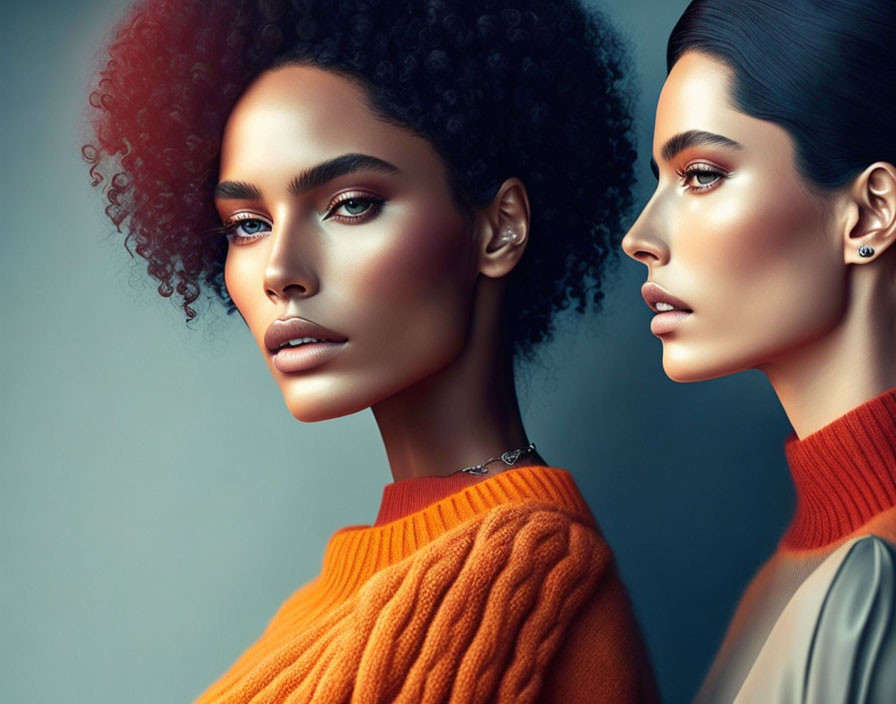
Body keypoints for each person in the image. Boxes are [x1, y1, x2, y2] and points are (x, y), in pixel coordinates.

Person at [84, 0, 658, 701]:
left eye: (350, 203)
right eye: (248, 223)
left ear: (500, 229)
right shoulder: (325, 600)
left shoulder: (526, 577)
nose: (279, 270)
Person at [622, 0, 896, 701]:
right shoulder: (794, 569)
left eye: (702, 174)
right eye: (662, 177)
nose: (641, 236)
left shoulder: (871, 580)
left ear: (869, 213)